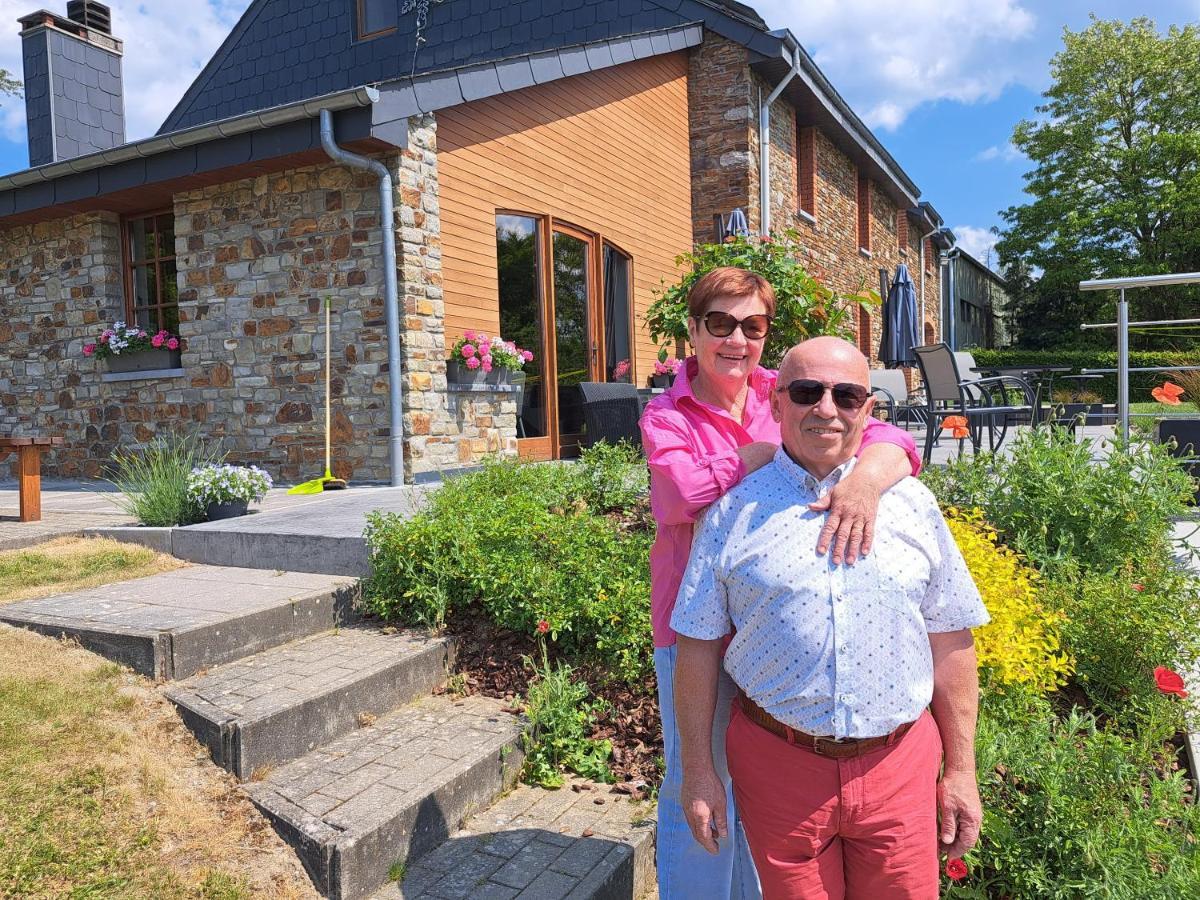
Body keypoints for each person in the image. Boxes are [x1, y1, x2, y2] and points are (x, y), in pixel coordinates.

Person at [671, 336, 989, 899]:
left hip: (898, 764)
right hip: (779, 766)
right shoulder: (731, 512)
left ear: (868, 409)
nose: (826, 408)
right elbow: (696, 648)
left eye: (846, 395)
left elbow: (950, 638)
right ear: (776, 404)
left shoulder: (913, 505)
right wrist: (698, 772)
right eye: (806, 391)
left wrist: (961, 769)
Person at [639, 268, 921, 899]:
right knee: (700, 781)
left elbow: (890, 438)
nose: (736, 339)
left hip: (774, 627)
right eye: (720, 323)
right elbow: (680, 494)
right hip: (696, 634)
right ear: (692, 329)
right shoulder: (668, 413)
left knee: (764, 789)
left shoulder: (791, 390)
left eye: (752, 326)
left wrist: (867, 480)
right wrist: (753, 457)